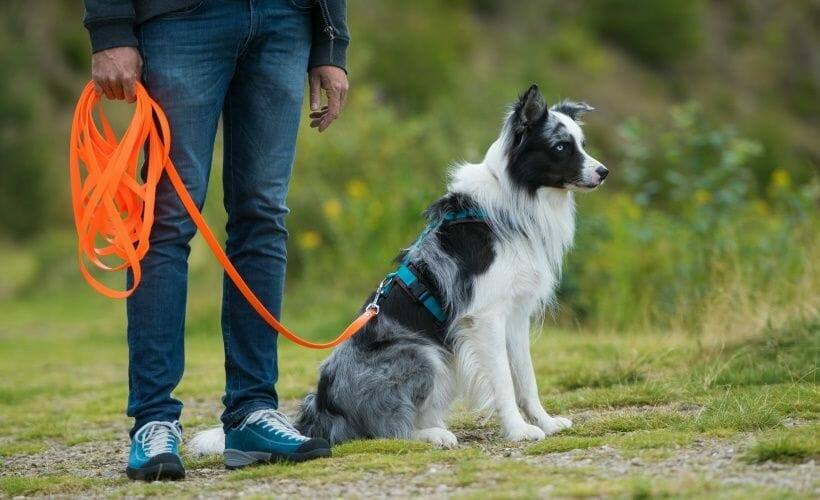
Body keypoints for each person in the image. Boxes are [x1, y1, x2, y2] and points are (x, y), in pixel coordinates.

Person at [82, 0, 349, 481]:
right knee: (165, 218)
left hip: (284, 20)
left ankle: (252, 412)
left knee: (264, 217)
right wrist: (109, 29)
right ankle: (155, 420)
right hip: (179, 19)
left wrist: (331, 40)